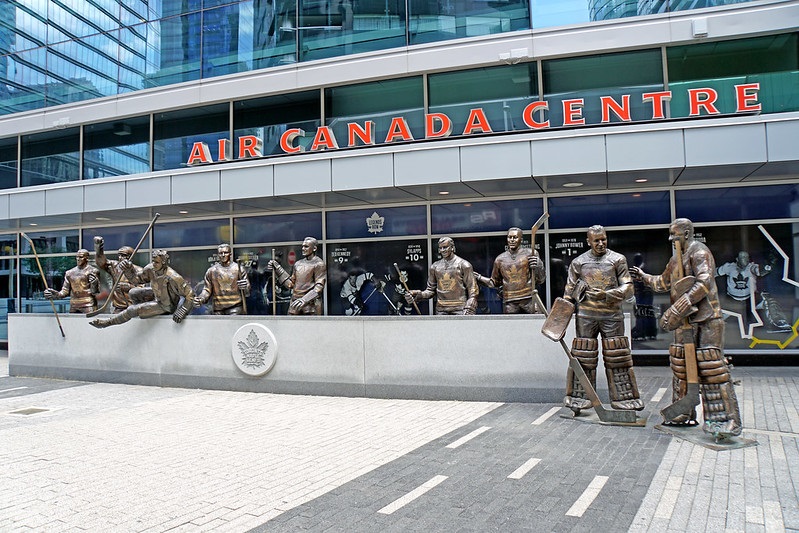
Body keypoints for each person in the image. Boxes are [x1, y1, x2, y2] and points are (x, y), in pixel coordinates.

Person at [631, 218, 741, 438]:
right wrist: (644, 278)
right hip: (684, 321)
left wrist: (680, 306)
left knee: (711, 368)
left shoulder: (700, 252)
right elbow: (663, 283)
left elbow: (704, 282)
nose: (672, 238)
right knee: (681, 365)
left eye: (675, 234)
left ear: (688, 233)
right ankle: (683, 412)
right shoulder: (675, 259)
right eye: (670, 234)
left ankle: (726, 420)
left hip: (706, 319)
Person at [562, 225, 643, 415]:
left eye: (603, 239)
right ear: (588, 241)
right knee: (583, 358)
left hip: (612, 315)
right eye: (596, 240)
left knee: (618, 356)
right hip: (585, 316)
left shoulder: (617, 259)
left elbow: (629, 288)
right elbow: (568, 293)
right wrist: (560, 320)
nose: (600, 243)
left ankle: (625, 398)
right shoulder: (578, 262)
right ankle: (579, 397)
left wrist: (607, 294)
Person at [89, 249, 195, 328]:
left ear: (164, 262)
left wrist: (183, 310)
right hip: (157, 295)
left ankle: (108, 322)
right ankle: (140, 310)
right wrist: (128, 270)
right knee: (133, 292)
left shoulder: (173, 277)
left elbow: (190, 294)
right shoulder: (150, 269)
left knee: (131, 310)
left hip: (166, 305)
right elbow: (136, 280)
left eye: (157, 262)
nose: (154, 264)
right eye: (153, 261)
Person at [475, 227, 546, 314]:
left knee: (537, 322)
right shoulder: (500, 259)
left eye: (515, 237)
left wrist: (539, 265)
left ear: (521, 239)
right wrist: (478, 278)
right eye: (509, 237)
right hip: (510, 301)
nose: (512, 240)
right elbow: (494, 282)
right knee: (510, 326)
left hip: (529, 299)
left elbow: (541, 280)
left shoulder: (531, 254)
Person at [405, 237, 479, 315]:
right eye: (440, 248)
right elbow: (430, 291)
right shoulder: (435, 267)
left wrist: (472, 299)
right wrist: (418, 294)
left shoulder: (464, 265)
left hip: (460, 308)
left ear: (452, 247)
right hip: (441, 309)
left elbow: (472, 287)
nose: (443, 250)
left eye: (445, 247)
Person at [268, 237, 326, 315]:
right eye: (302, 246)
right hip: (295, 304)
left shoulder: (319, 264)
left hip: (310, 305)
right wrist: (278, 269)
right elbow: (290, 284)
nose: (303, 248)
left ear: (314, 248)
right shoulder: (298, 264)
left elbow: (318, 288)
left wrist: (304, 299)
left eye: (306, 246)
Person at [194, 243, 251, 315]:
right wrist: (201, 299)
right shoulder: (211, 271)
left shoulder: (239, 269)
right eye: (221, 253)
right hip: (218, 310)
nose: (223, 255)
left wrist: (245, 287)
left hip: (235, 308)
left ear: (230, 254)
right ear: (218, 255)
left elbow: (247, 292)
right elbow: (207, 290)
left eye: (226, 252)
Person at [93, 236, 145, 313]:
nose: (120, 258)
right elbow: (101, 262)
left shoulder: (139, 270)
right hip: (118, 307)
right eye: (119, 255)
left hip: (132, 307)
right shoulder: (115, 266)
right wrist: (99, 249)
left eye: (123, 255)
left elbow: (142, 290)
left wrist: (128, 287)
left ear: (131, 257)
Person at [44, 249, 100, 314]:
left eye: (81, 257)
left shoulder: (93, 271)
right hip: (74, 305)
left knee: (89, 323)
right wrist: (55, 294)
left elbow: (95, 292)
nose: (78, 259)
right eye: (77, 257)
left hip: (88, 304)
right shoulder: (69, 273)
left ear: (86, 258)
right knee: (72, 323)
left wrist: (94, 284)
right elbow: (65, 291)